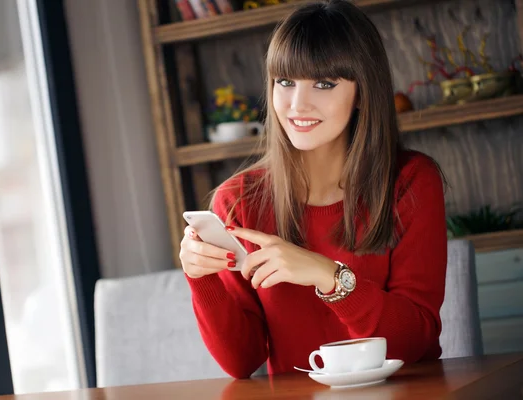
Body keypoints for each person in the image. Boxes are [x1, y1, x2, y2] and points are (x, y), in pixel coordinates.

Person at [179, 0, 447, 379]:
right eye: (285, 82)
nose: (297, 104)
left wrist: (330, 277)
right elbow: (242, 362)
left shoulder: (412, 182)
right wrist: (201, 277)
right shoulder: (236, 201)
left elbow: (414, 341)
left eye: (324, 83)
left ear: (362, 92)